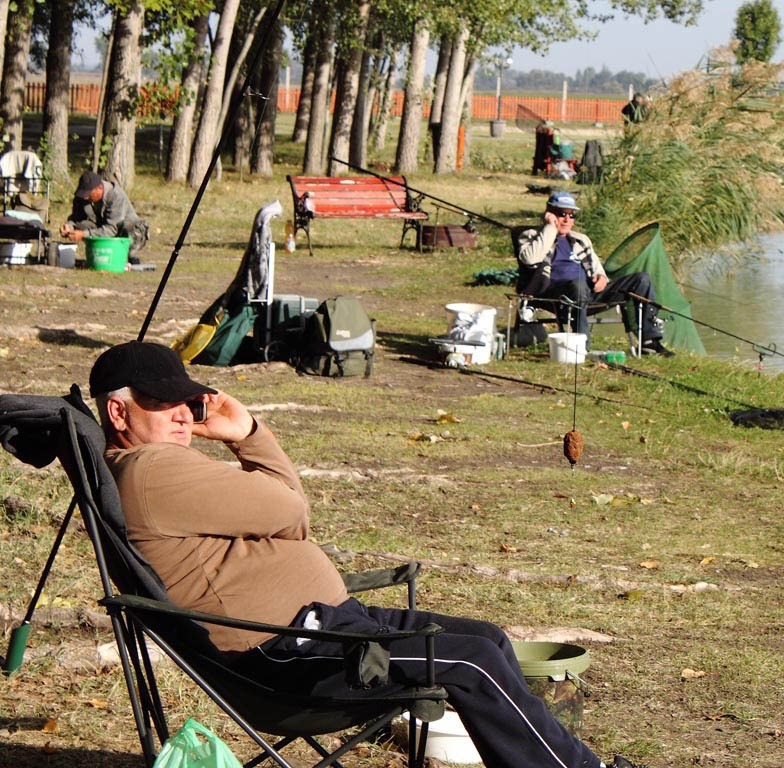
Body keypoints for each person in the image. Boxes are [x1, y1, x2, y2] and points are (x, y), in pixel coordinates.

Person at [89, 340, 644, 768]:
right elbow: (290, 510)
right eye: (163, 403)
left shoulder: (145, 469)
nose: (185, 413)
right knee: (472, 661)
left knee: (488, 639)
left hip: (325, 629)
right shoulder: (154, 469)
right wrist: (249, 436)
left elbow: (282, 515)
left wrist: (250, 443)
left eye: (188, 400)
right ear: (119, 413)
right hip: (291, 656)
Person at [517, 192, 673, 356]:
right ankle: (582, 347)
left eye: (572, 215)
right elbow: (529, 259)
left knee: (642, 279)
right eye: (561, 214)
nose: (566, 219)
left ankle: (650, 341)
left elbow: (598, 269)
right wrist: (550, 228)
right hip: (556, 295)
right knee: (577, 284)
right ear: (549, 213)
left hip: (588, 293)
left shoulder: (580, 240)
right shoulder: (531, 236)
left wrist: (601, 278)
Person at [60, 171, 149, 265]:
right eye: (83, 194)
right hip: (102, 228)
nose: (85, 198)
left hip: (120, 230)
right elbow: (76, 217)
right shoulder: (82, 197)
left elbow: (111, 229)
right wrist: (69, 226)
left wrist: (83, 234)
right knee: (82, 225)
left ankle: (131, 258)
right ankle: (98, 255)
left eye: (88, 194)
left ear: (100, 188)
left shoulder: (116, 195)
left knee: (133, 227)